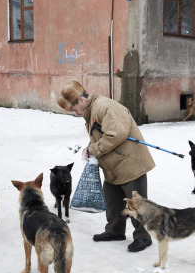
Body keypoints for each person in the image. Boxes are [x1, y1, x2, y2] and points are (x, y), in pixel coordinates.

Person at [57, 81, 155, 252]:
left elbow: (117, 134)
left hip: (129, 163)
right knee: (112, 199)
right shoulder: (93, 110)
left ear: (80, 100)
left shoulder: (104, 106)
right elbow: (99, 135)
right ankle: (115, 231)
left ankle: (143, 237)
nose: (75, 114)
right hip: (114, 165)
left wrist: (93, 149)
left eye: (74, 110)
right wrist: (89, 149)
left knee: (135, 203)